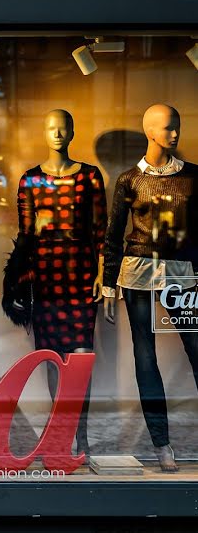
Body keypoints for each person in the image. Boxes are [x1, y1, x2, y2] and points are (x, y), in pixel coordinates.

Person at [103, 104, 198, 473]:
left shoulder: (193, 177)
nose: (175, 134)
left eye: (178, 127)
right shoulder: (129, 180)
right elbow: (113, 235)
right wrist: (109, 285)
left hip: (182, 269)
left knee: (195, 348)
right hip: (139, 269)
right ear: (151, 131)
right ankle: (162, 444)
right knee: (146, 355)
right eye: (168, 128)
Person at [11, 109, 107, 454]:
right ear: (44, 132)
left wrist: (101, 274)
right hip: (46, 276)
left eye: (63, 128)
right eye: (51, 127)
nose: (57, 134)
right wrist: (21, 282)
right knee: (52, 356)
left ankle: (79, 432)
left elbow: (101, 231)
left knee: (81, 356)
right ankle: (61, 433)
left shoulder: (90, 177)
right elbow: (25, 234)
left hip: (80, 273)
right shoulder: (30, 180)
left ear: (71, 132)